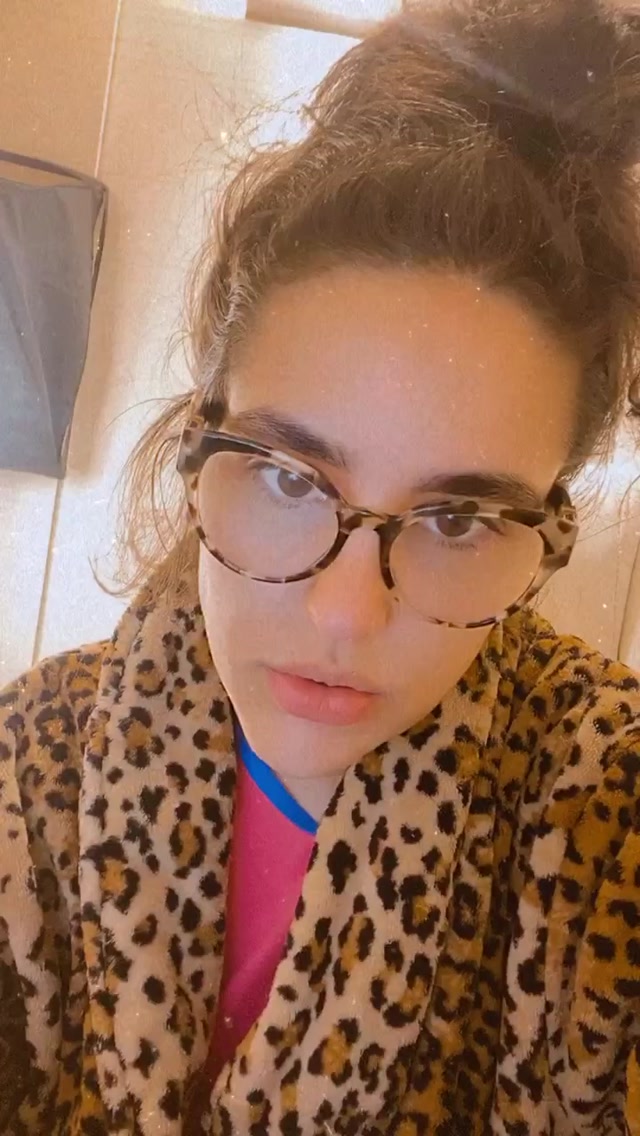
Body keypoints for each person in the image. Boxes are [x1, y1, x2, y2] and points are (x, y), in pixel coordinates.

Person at [2, 0, 640, 1133]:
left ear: (543, 532)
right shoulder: (29, 770)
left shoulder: (600, 814)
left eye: (456, 518)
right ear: (199, 450)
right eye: (292, 479)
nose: (346, 613)